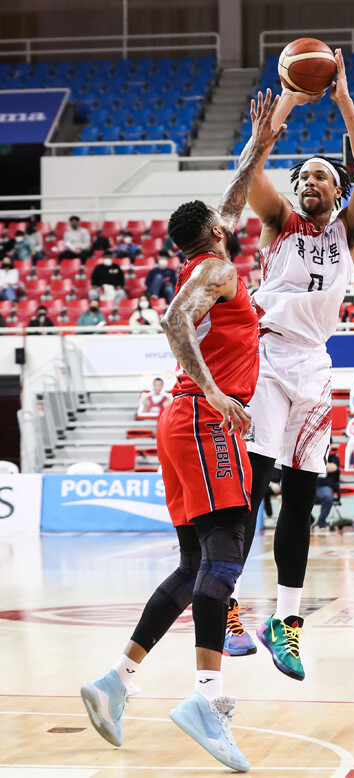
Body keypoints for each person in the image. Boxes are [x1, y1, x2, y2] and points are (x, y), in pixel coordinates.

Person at [79, 90, 284, 773]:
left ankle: (116, 680)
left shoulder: (206, 260)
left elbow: (231, 199)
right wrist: (218, 392)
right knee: (225, 556)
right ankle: (205, 697)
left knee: (194, 565)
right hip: (202, 416)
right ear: (217, 234)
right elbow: (172, 323)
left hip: (181, 421)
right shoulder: (219, 270)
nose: (234, 219)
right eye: (227, 221)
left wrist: (261, 143)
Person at [231, 48, 354, 678]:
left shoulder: (348, 230)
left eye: (322, 175)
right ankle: (226, 600)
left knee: (300, 496)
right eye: (305, 177)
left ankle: (286, 623)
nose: (311, 182)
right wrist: (289, 99)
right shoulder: (278, 221)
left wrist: (342, 98)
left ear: (337, 190)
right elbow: (249, 172)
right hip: (266, 358)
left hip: (315, 368)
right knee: (251, 487)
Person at [313, 451, 340, 530]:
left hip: (324, 486)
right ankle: (310, 520)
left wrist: (320, 459)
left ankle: (321, 522)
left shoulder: (333, 458)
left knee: (327, 496)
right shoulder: (312, 456)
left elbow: (332, 468)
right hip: (311, 485)